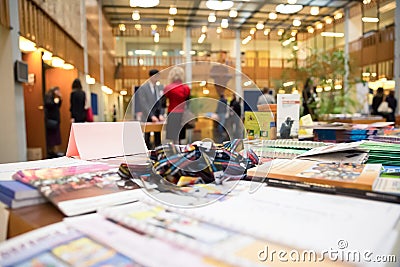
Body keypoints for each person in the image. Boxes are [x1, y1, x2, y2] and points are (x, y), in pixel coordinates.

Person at [136, 69, 165, 149]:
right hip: (147, 117)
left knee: (158, 139)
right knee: (147, 138)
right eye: (156, 76)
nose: (158, 78)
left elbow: (162, 102)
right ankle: (148, 156)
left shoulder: (159, 88)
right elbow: (143, 104)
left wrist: (161, 114)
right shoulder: (143, 88)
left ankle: (158, 155)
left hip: (158, 118)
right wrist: (152, 116)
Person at [163, 66, 191, 144]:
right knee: (180, 136)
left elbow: (163, 103)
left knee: (172, 137)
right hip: (182, 114)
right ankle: (180, 151)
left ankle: (173, 152)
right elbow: (188, 103)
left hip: (172, 113)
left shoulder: (168, 88)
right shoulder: (186, 88)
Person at [44, 86, 62, 158]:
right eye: (57, 91)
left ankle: (54, 151)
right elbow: (49, 105)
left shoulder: (55, 97)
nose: (58, 92)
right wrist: (55, 102)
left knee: (55, 136)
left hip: (56, 119)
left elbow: (58, 106)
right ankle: (51, 151)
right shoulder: (49, 97)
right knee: (52, 137)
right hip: (51, 119)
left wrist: (60, 99)